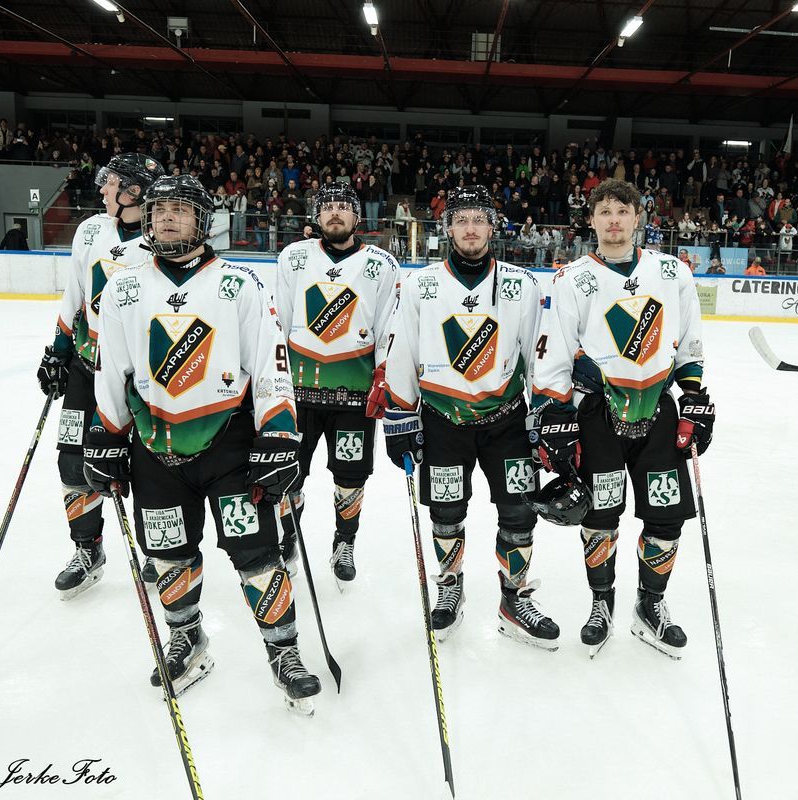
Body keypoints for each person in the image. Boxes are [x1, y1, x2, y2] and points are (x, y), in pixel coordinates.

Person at [84, 174, 320, 712]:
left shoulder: (239, 284)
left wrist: (279, 434)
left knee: (256, 553)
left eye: (181, 209)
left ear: (203, 220)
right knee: (168, 553)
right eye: (159, 208)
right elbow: (111, 368)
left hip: (229, 447)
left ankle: (284, 652)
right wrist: (104, 434)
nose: (167, 217)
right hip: (153, 447)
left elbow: (271, 365)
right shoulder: (124, 287)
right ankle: (186, 638)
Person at [530, 178, 714, 659]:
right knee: (599, 518)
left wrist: (694, 398)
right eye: (604, 212)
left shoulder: (672, 272)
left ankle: (650, 604)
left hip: (658, 411)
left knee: (667, 516)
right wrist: (557, 416)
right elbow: (555, 353)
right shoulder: (571, 278)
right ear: (591, 220)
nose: (614, 220)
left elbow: (689, 340)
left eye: (622, 211)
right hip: (597, 415)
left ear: (638, 218)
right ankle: (601, 603)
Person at [382, 184, 560, 650]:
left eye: (479, 219)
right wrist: (400, 418)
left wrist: (546, 416)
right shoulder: (420, 284)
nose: (470, 228)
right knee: (446, 513)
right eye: (461, 219)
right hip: (442, 419)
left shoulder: (523, 284)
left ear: (492, 227)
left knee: (519, 511)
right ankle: (450, 585)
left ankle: (514, 598)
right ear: (448, 228)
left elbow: (538, 353)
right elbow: (403, 351)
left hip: (507, 420)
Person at [37, 153, 164, 599]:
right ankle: (87, 549)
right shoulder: (91, 230)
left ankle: (158, 551)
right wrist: (58, 349)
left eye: (112, 182)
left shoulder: (163, 240)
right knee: (72, 462)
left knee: (147, 467)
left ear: (134, 192)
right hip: (85, 367)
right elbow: (74, 292)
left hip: (138, 378)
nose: (103, 188)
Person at [274, 183, 400, 589]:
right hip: (298, 394)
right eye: (327, 206)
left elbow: (388, 326)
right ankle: (288, 537)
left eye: (343, 206)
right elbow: (279, 323)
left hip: (355, 396)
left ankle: (344, 542)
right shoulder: (294, 257)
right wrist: (274, 382)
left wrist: (383, 374)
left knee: (351, 477)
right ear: (316, 216)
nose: (334, 212)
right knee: (288, 474)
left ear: (357, 217)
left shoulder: (381, 264)